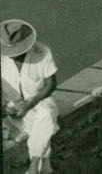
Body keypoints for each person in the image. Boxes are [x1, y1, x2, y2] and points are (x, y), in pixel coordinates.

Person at [1, 19, 58, 174]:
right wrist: (6, 109)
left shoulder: (43, 52)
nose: (13, 56)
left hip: (39, 101)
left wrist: (29, 104)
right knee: (44, 127)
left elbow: (51, 84)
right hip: (13, 110)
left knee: (46, 114)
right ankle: (45, 166)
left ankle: (34, 165)